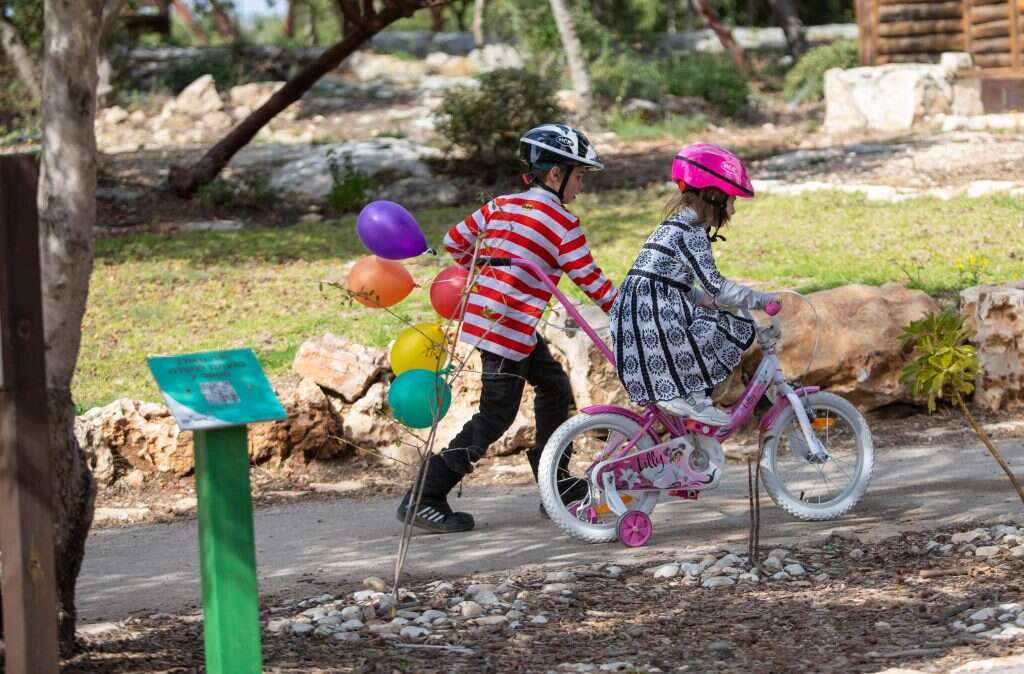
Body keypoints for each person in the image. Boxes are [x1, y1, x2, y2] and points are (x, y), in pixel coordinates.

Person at [396, 123, 618, 533]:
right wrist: (625, 309)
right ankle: (426, 493)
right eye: (580, 176)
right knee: (496, 416)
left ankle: (554, 479)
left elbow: (454, 241)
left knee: (554, 387)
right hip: (508, 333)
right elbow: (591, 280)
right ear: (556, 175)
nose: (582, 186)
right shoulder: (564, 225)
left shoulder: (499, 206)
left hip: (494, 324)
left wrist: (486, 267)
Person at [610, 143, 777, 426]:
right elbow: (718, 287)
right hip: (655, 317)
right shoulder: (692, 232)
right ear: (712, 196)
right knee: (719, 328)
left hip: (636, 313)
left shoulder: (672, 225)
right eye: (730, 200)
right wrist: (760, 299)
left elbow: (667, 278)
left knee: (709, 318)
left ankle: (688, 399)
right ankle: (694, 399)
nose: (732, 211)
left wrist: (699, 298)